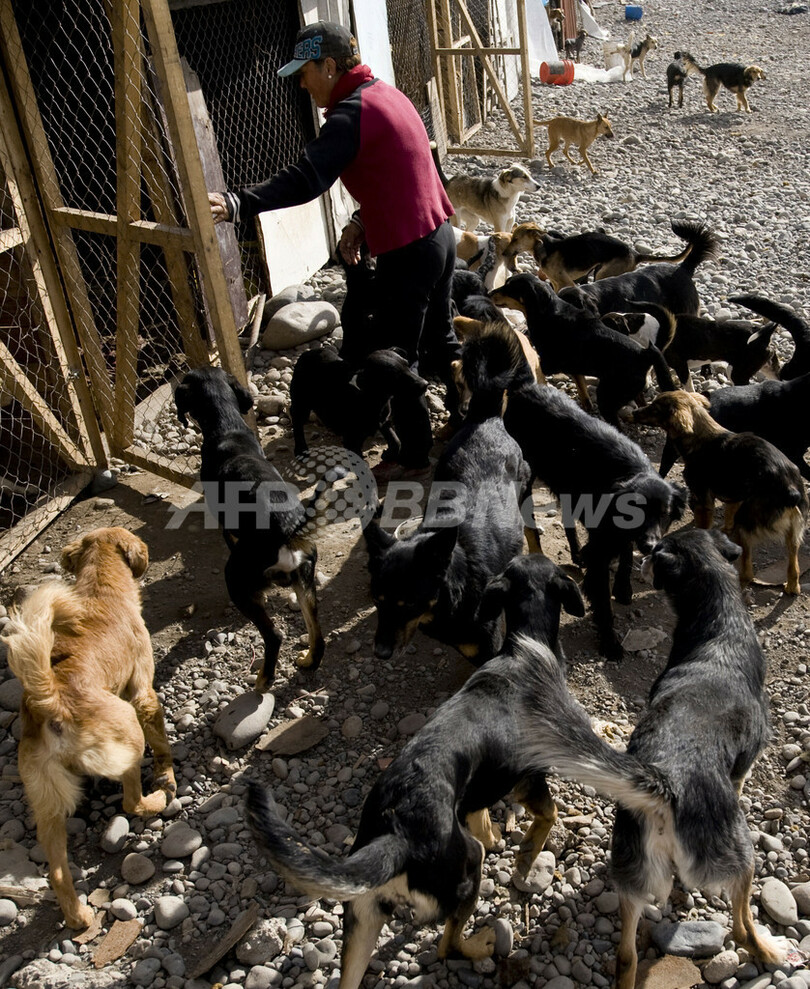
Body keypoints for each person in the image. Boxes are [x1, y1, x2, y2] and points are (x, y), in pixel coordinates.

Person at [209, 21, 461, 484]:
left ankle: (413, 458)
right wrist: (362, 221)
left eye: (304, 73)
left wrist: (239, 202)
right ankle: (468, 419)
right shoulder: (386, 94)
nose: (302, 85)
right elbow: (405, 170)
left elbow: (307, 178)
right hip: (440, 236)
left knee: (395, 360)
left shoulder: (351, 114)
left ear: (328, 66)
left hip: (409, 250)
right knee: (441, 339)